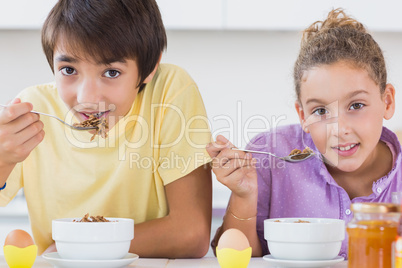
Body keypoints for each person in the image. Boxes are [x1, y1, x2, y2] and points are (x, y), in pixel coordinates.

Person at [0, 0, 212, 258]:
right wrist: (2, 160)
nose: (86, 97)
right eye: (68, 70)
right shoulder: (34, 110)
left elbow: (191, 233)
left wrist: (83, 247)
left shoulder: (168, 91)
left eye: (111, 72)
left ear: (149, 68)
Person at [207, 8, 400, 258]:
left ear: (387, 101)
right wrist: (244, 194)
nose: (339, 129)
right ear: (302, 115)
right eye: (320, 111)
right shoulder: (269, 155)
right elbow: (239, 256)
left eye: (356, 106)